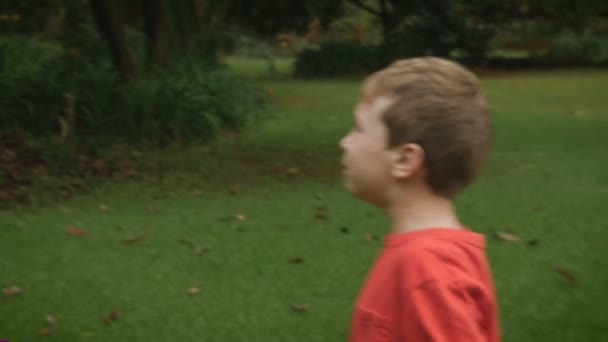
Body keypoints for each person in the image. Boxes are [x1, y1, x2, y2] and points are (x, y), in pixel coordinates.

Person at [340, 57, 500, 342]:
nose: (345, 142)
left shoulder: (428, 271)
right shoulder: (427, 257)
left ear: (405, 159)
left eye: (358, 129)